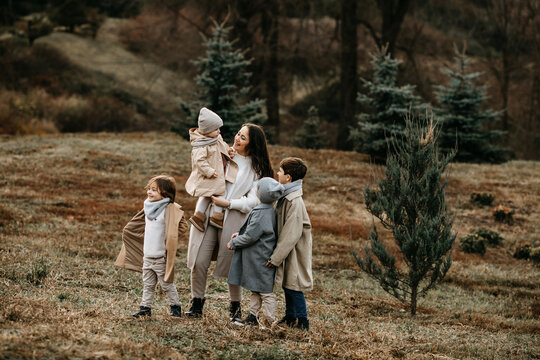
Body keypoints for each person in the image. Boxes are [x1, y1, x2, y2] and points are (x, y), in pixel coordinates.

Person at [185, 123, 274, 321]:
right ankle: (197, 303)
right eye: (238, 134)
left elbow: (253, 200)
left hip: (233, 216)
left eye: (243, 138)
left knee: (232, 263)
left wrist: (229, 203)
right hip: (208, 213)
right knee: (199, 261)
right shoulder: (223, 152)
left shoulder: (256, 168)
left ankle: (235, 309)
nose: (237, 139)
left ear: (253, 143)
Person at [114, 175, 188, 318]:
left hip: (160, 256)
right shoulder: (148, 207)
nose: (149, 192)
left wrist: (171, 234)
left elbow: (182, 226)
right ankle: (145, 308)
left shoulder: (168, 209)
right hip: (147, 256)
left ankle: (175, 306)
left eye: (154, 190)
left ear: (165, 194)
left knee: (166, 284)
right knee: (148, 285)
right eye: (149, 189)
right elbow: (136, 226)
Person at [226, 177, 284, 328]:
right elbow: (255, 231)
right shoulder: (267, 209)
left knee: (265, 291)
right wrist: (240, 234)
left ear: (262, 193)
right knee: (256, 289)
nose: (255, 190)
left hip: (260, 258)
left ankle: (270, 320)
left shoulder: (261, 213)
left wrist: (234, 242)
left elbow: (251, 236)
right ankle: (253, 316)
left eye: (257, 188)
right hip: (258, 256)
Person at [266, 157, 313, 330]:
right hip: (289, 250)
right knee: (288, 282)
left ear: (289, 178)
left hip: (294, 250)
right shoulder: (287, 196)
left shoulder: (294, 201)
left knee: (294, 284)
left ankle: (302, 320)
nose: (277, 173)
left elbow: (291, 234)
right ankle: (290, 316)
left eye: (280, 171)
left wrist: (276, 257)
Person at [185, 107, 237, 231]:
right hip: (210, 175)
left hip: (218, 172)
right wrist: (209, 171)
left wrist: (228, 150)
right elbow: (199, 161)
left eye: (219, 128)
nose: (219, 131)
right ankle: (207, 216)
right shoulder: (201, 145)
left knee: (216, 193)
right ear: (207, 130)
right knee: (214, 194)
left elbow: (222, 146)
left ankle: (212, 216)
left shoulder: (216, 138)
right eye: (216, 129)